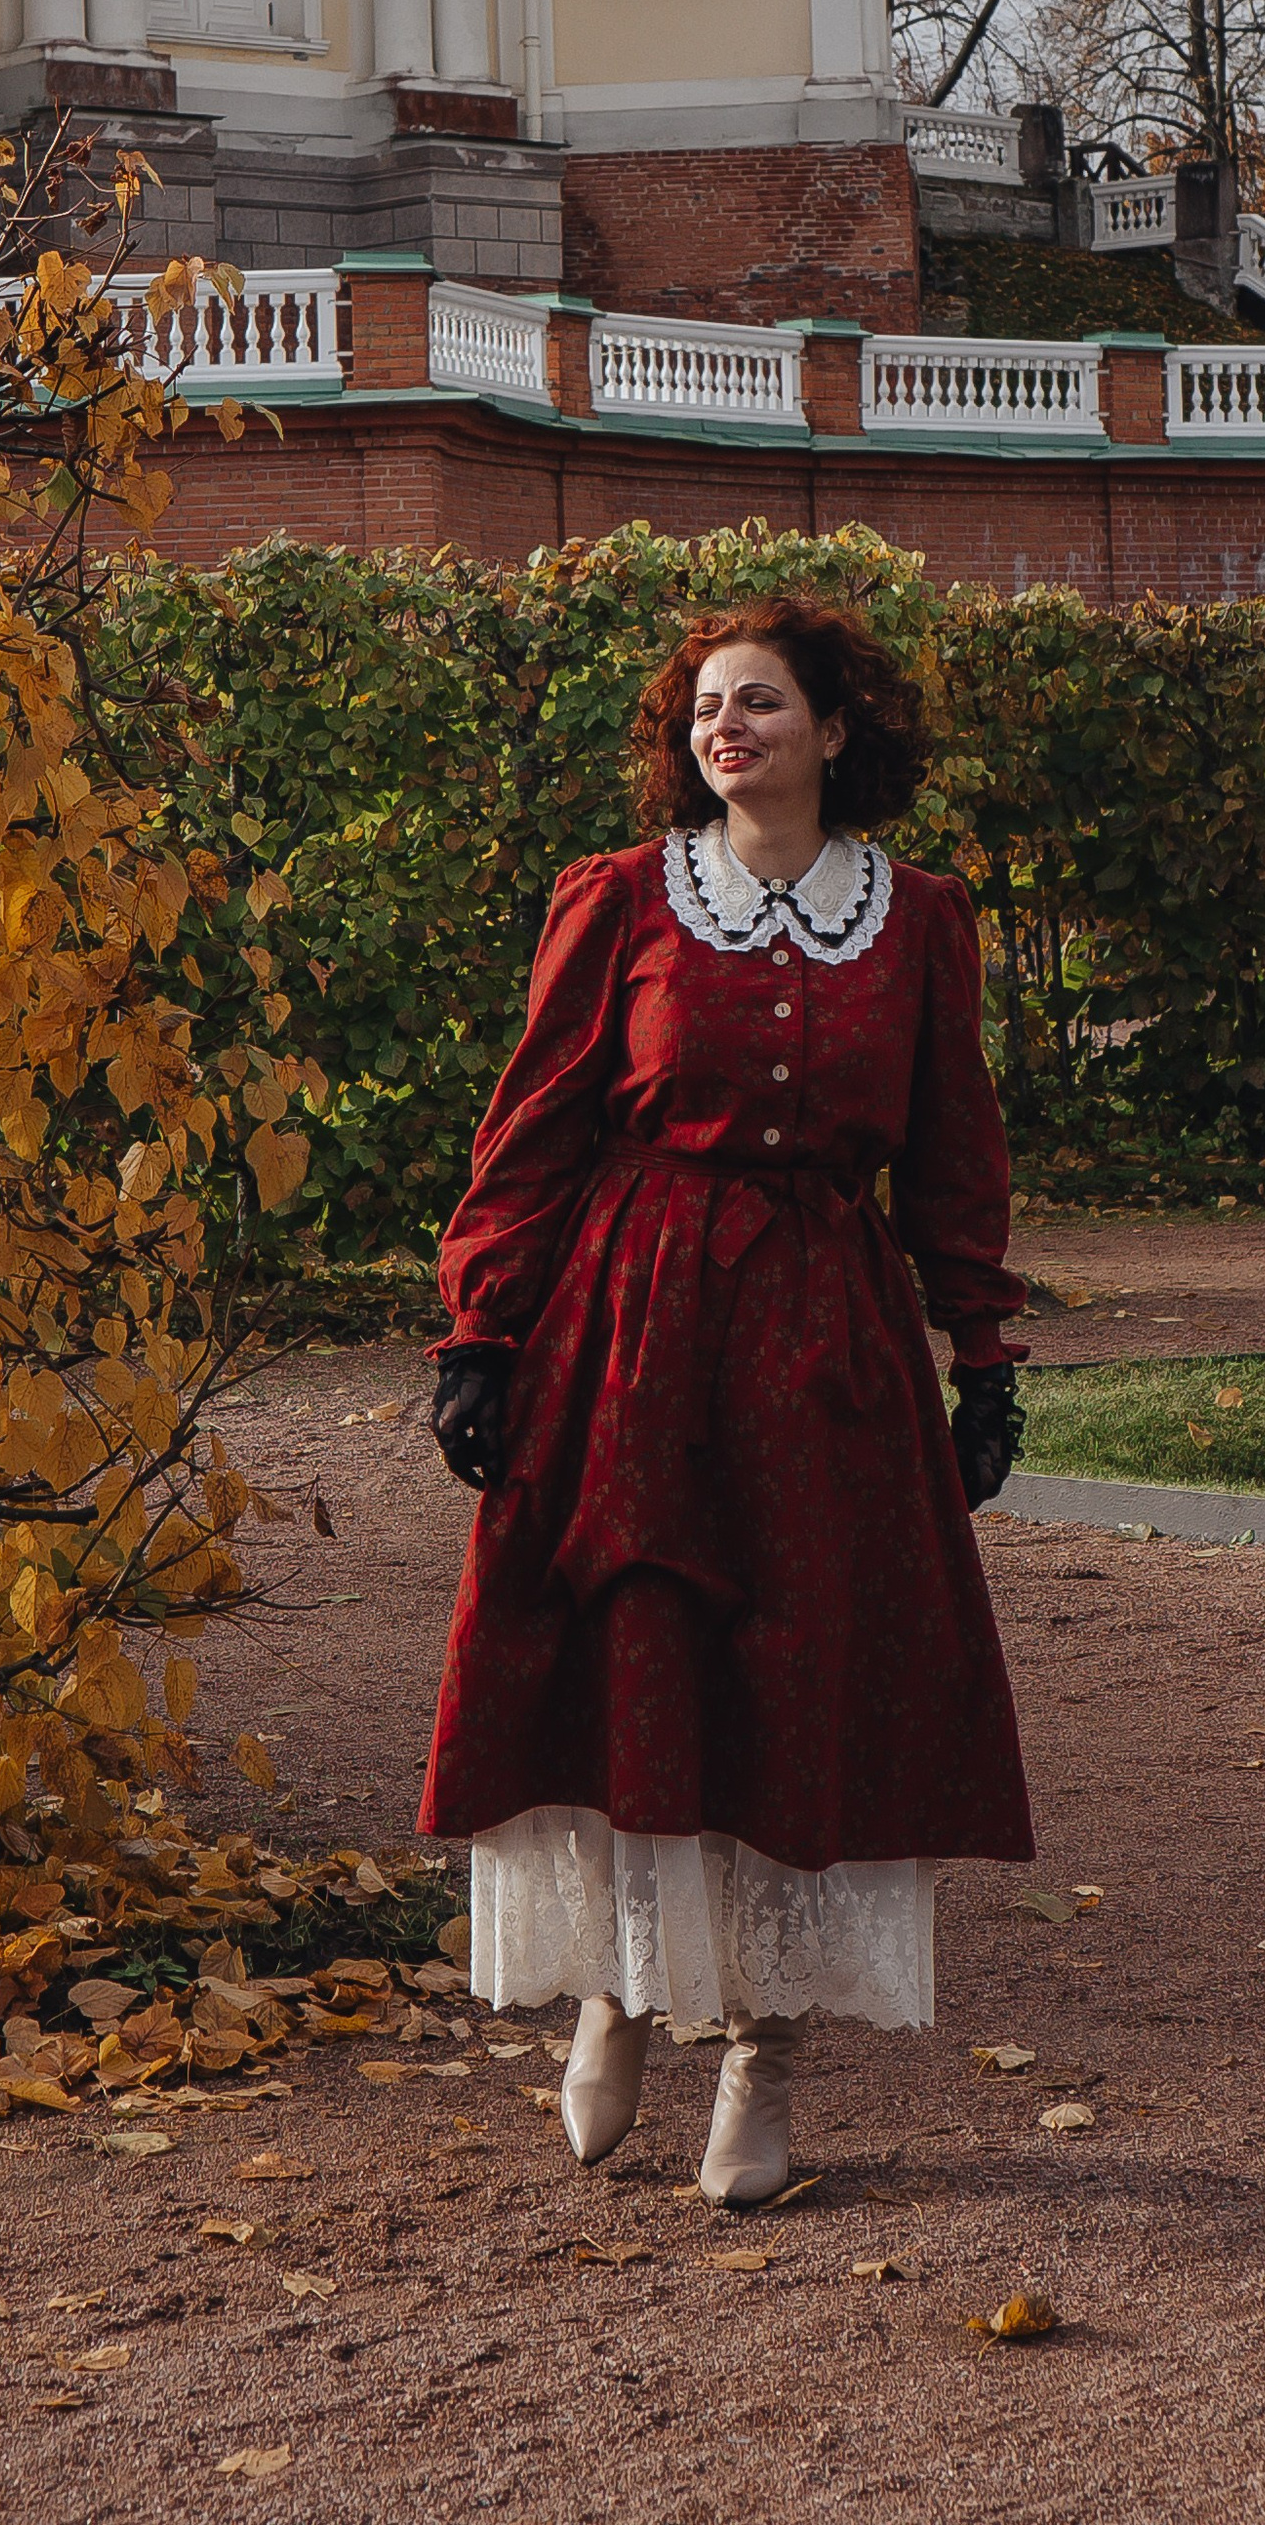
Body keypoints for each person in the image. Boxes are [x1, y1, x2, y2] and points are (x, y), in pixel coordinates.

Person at [417, 596, 1034, 2209]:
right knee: (643, 1650)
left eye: (758, 702)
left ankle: (765, 2054)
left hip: (828, 1337)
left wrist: (983, 1358)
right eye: (704, 706)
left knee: (803, 1679)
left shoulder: (920, 921)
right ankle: (621, 1988)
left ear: (836, 731)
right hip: (633, 1330)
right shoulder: (621, 900)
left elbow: (955, 1158)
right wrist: (482, 1331)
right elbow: (538, 1124)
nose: (725, 727)